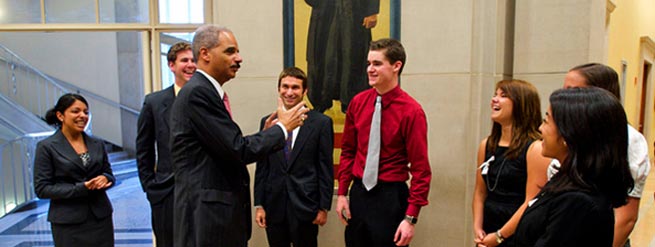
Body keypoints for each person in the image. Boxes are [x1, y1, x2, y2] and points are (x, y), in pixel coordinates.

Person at [169, 25, 308, 247]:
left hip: (216, 217)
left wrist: (266, 134)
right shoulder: (198, 93)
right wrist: (283, 127)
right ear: (205, 54)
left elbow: (225, 146)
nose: (239, 58)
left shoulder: (206, 91)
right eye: (230, 51)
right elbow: (238, 149)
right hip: (209, 220)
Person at [335, 38, 431, 247]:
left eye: (377, 64)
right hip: (359, 194)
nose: (370, 69)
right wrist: (342, 193)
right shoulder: (357, 103)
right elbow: (348, 151)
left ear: (397, 66)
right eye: (369, 63)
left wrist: (410, 218)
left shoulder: (412, 112)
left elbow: (421, 170)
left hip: (391, 197)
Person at [513, 87, 634, 246]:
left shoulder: (578, 202)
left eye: (546, 121)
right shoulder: (567, 179)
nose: (540, 128)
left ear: (568, 135)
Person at [559, 63, 650, 247]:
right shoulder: (568, 134)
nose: (563, 97)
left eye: (572, 90)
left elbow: (625, 218)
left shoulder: (629, 140)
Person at [254, 67, 334, 247]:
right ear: (279, 89)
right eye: (285, 87)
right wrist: (259, 204)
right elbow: (262, 166)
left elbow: (325, 168)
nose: (289, 92)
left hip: (306, 206)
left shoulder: (321, 123)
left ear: (304, 91)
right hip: (274, 206)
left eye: (295, 88)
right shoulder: (268, 122)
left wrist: (323, 207)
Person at [472, 80, 550, 247]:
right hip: (488, 231)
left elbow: (531, 201)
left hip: (518, 232)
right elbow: (479, 192)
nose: (494, 99)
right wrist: (478, 229)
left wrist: (499, 236)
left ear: (522, 104)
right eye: (495, 94)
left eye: (503, 96)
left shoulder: (535, 149)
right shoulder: (486, 145)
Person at [34, 93, 115, 247]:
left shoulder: (97, 143)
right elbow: (42, 189)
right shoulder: (46, 147)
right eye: (76, 111)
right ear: (60, 115)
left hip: (100, 218)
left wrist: (106, 178)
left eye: (86, 112)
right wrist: (81, 188)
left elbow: (109, 174)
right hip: (68, 223)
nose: (82, 116)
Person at [136, 41, 196, 247]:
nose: (191, 65)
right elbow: (143, 149)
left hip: (199, 192)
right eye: (185, 60)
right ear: (172, 65)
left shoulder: (210, 100)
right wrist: (150, 188)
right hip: (166, 192)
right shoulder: (153, 102)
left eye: (194, 60)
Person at [305, 0, 380, 113]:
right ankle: (321, 101)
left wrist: (372, 11)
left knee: (352, 54)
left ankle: (351, 101)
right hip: (324, 10)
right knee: (322, 54)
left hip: (354, 10)